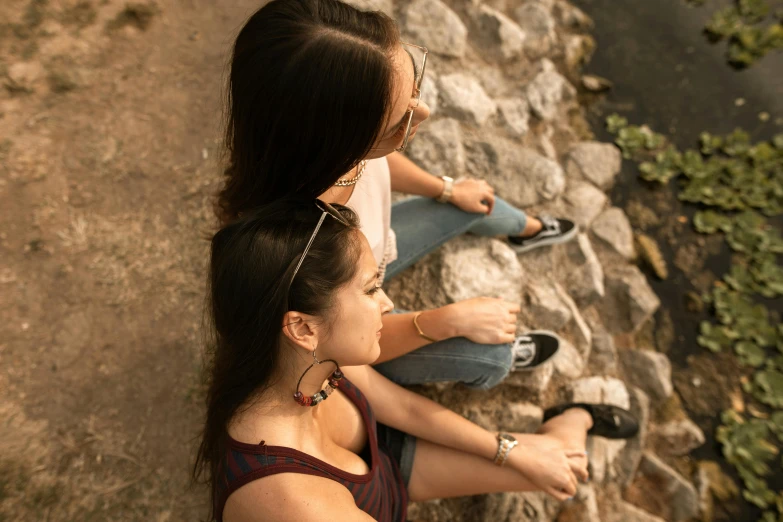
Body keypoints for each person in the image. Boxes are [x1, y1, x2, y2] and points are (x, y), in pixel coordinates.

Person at [193, 200, 639, 522]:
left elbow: (403, 408)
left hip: (389, 466)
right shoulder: (297, 504)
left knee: (552, 464)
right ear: (303, 327)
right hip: (385, 491)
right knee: (566, 462)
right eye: (370, 289)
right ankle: (575, 418)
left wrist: (509, 449)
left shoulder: (298, 364)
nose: (387, 303)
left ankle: (571, 419)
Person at [215, 0, 580, 391]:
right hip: (357, 314)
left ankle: (528, 229)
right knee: (490, 357)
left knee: (475, 200)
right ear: (339, 142)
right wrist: (450, 319)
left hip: (377, 250)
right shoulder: (302, 248)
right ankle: (497, 350)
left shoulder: (317, 155)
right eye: (399, 121)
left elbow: (376, 162)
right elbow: (356, 343)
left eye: (415, 90)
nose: (422, 112)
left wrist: (446, 188)